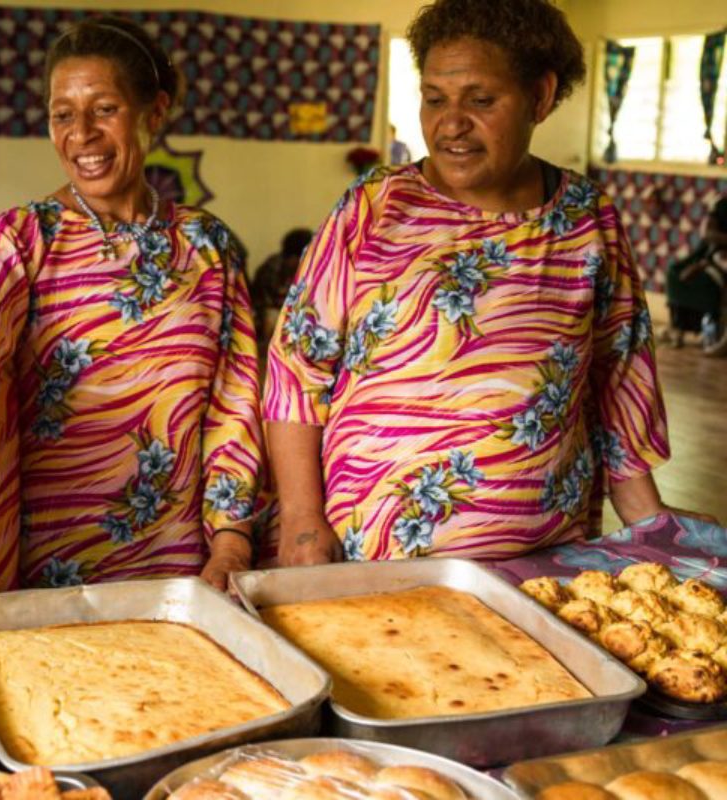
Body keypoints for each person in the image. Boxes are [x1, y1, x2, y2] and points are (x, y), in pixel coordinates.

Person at [264, 0, 715, 567]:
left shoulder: (586, 219)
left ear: (541, 96)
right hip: (372, 554)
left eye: (480, 100)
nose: (451, 123)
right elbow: (295, 371)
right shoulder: (374, 207)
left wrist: (649, 525)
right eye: (434, 99)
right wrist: (304, 521)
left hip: (544, 561)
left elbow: (618, 377)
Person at [0, 16, 262, 594]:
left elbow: (235, 401)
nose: (80, 133)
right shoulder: (23, 238)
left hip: (182, 565)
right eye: (62, 114)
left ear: (154, 112)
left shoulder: (209, 249)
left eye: (104, 109)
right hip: (52, 573)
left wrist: (231, 538)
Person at [663, 196, 727, 350]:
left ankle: (718, 334)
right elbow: (706, 233)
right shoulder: (722, 205)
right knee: (674, 272)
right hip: (714, 252)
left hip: (721, 256)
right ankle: (678, 327)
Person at [251, 228, 314, 352]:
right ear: (292, 257)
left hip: (294, 320)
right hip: (268, 320)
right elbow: (266, 308)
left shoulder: (310, 269)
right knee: (272, 317)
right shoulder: (271, 270)